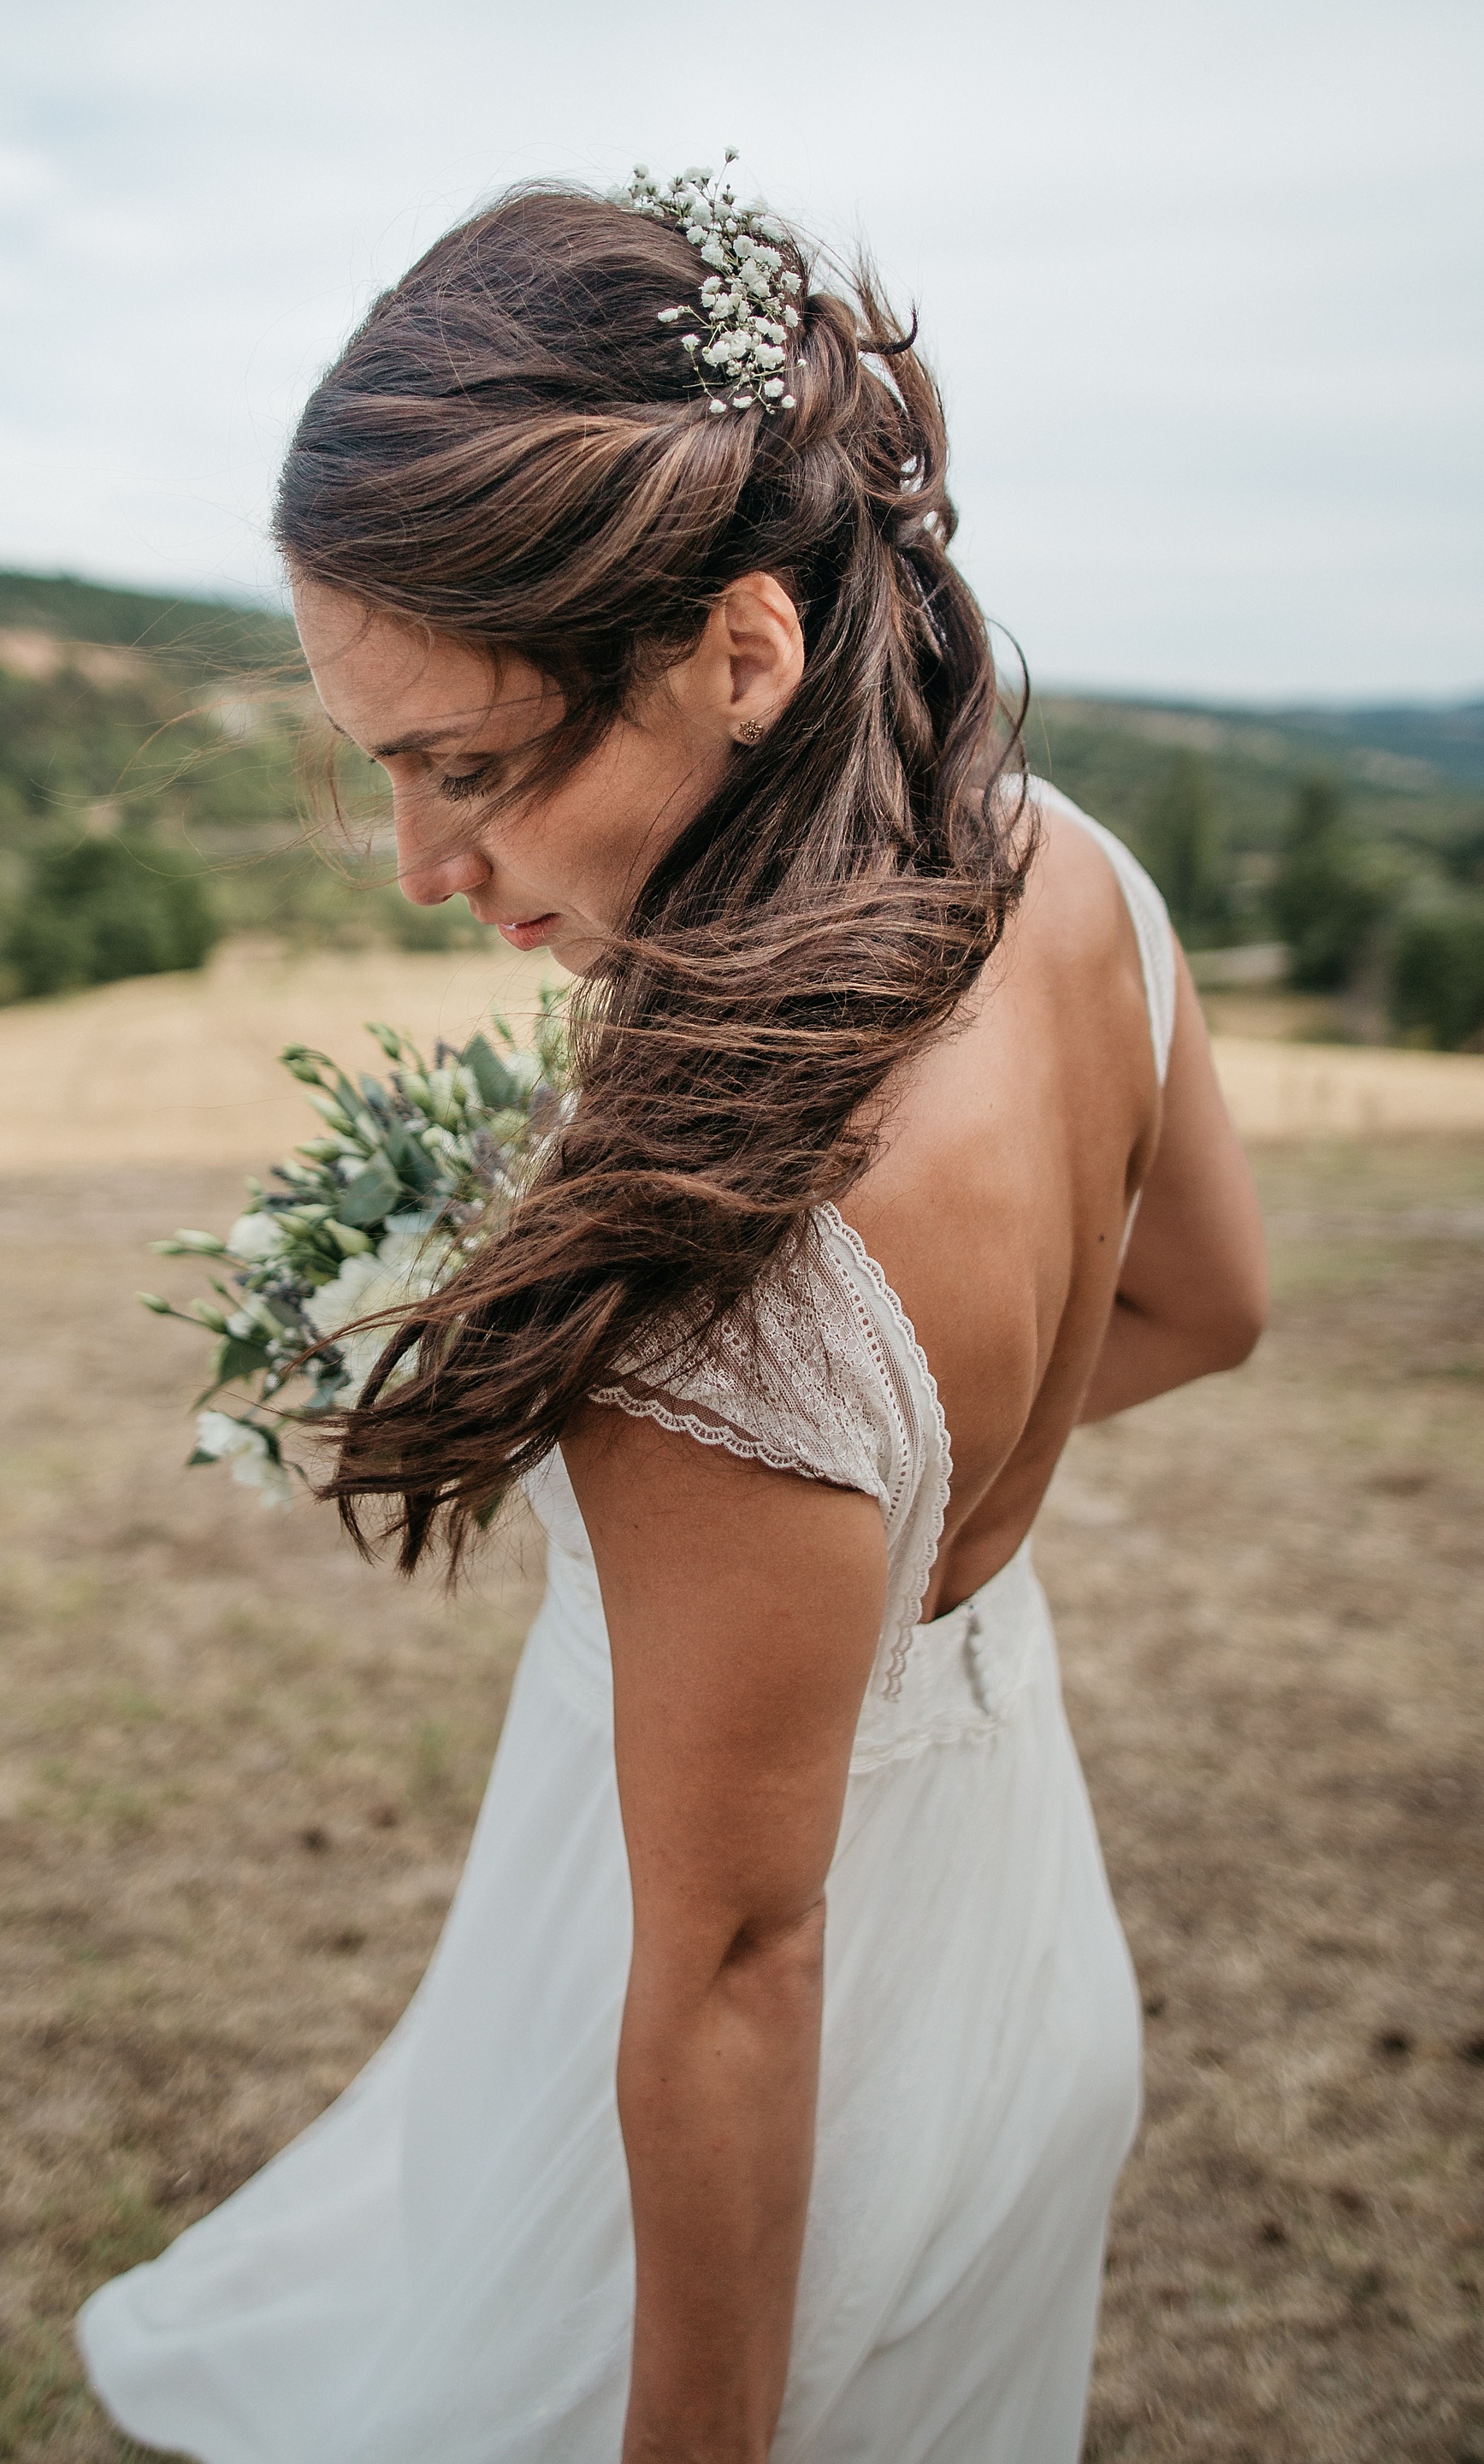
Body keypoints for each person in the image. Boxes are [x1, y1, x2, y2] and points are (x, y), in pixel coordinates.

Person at [79, 164, 1267, 2463]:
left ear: (742, 647)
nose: (428, 872)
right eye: (384, 773)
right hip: (1015, 1968)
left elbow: (732, 1964)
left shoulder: (718, 1289)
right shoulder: (1075, 866)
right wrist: (881, 1528)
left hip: (754, 2153)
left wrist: (779, 1504)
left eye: (474, 768)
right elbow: (1207, 1306)